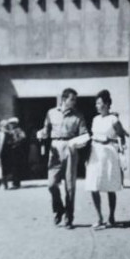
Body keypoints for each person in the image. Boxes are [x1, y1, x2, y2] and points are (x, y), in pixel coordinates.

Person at [40, 88, 90, 228]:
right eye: (72, 99)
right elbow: (46, 130)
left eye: (75, 100)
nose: (74, 102)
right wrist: (42, 134)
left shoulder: (78, 115)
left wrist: (79, 143)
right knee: (51, 184)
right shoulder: (51, 113)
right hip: (54, 147)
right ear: (64, 99)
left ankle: (69, 217)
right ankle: (58, 208)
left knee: (70, 186)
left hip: (70, 148)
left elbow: (84, 134)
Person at [85, 90, 127, 228]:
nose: (97, 106)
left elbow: (122, 136)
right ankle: (99, 217)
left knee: (110, 186)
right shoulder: (95, 119)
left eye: (100, 103)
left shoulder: (114, 119)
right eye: (96, 103)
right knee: (93, 185)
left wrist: (113, 142)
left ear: (107, 104)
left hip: (109, 154)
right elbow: (93, 137)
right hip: (95, 153)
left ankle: (111, 217)